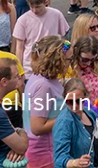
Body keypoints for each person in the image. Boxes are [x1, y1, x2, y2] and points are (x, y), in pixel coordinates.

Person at [23, 36, 70, 168]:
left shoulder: (39, 78)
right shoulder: (43, 86)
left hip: (49, 149)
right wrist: (69, 114)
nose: (70, 64)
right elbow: (37, 127)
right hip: (44, 153)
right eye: (68, 60)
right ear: (58, 60)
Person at [52, 78, 98, 168]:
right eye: (70, 102)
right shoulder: (64, 122)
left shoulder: (91, 114)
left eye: (78, 101)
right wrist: (75, 163)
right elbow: (59, 159)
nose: (75, 106)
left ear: (85, 96)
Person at [12, 0, 69, 77]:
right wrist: (20, 70)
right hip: (30, 69)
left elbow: (64, 39)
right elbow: (19, 48)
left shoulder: (57, 15)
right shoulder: (22, 20)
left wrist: (63, 56)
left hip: (52, 65)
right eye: (31, 7)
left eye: (38, 7)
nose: (34, 10)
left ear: (46, 2)